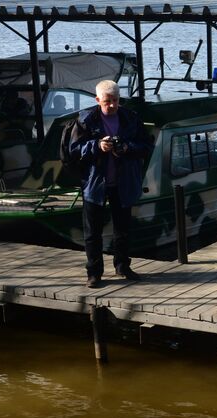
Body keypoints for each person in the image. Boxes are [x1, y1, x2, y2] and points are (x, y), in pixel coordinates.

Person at [69, 80, 152, 288]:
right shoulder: (85, 120)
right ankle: (94, 273)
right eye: (108, 101)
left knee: (123, 229)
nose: (112, 105)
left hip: (123, 182)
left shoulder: (130, 118)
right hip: (95, 183)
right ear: (98, 100)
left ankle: (123, 266)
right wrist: (97, 146)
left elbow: (146, 145)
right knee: (92, 232)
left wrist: (126, 147)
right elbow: (75, 149)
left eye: (115, 100)